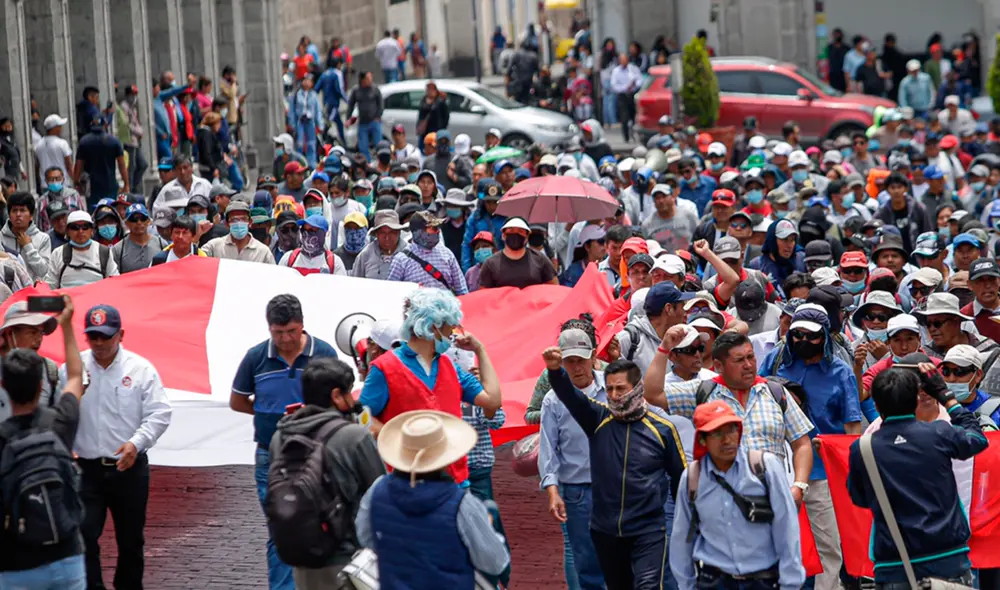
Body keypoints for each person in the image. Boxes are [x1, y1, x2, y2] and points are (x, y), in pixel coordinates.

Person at [543, 345, 687, 590]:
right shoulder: (597, 419)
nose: (614, 394)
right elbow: (569, 395)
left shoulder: (663, 429)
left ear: (637, 388)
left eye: (621, 388)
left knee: (648, 586)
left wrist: (683, 525)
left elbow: (680, 479)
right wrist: (555, 371)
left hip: (649, 530)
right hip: (606, 531)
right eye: (609, 389)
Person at [231, 294, 339, 590]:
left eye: (291, 332)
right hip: (271, 457)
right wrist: (266, 413)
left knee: (321, 523)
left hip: (317, 455)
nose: (285, 340)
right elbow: (238, 400)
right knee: (282, 527)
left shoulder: (324, 352)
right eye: (277, 333)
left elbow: (339, 400)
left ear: (302, 326)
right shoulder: (256, 357)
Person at [848, 364, 987, 586]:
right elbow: (978, 440)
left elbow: (860, 498)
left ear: (875, 405)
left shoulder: (863, 448)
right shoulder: (940, 433)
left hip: (894, 563)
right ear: (915, 401)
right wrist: (947, 397)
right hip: (948, 556)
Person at [645, 329, 814, 505]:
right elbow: (653, 395)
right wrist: (664, 348)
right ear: (718, 366)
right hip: (721, 507)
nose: (748, 365)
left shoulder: (775, 392)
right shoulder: (702, 391)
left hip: (774, 502)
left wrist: (799, 486)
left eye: (751, 357)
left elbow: (801, 443)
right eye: (739, 360)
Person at [73, 304, 172, 590]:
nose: (100, 344)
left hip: (128, 469)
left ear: (121, 335)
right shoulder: (74, 368)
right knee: (84, 536)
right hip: (86, 470)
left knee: (130, 540)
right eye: (94, 337)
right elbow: (60, 410)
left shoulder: (140, 370)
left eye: (106, 337)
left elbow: (160, 413)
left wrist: (136, 443)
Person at [355, 409, 510, 588]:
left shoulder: (377, 489)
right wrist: (487, 528)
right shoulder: (461, 504)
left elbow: (365, 536)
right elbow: (495, 561)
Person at [269, 357, 385, 590]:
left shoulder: (280, 436)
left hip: (301, 557)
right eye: (349, 393)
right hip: (347, 561)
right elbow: (380, 494)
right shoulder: (353, 436)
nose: (353, 399)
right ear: (335, 396)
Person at [670, 400, 805, 590]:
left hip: (763, 581)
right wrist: (686, 585)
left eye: (732, 430)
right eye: (717, 434)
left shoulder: (764, 468)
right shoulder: (693, 477)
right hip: (713, 581)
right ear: (702, 439)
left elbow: (787, 528)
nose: (727, 440)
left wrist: (790, 584)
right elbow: (681, 537)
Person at [0, 295, 86, 589]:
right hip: (64, 555)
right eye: (30, 330)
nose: (37, 338)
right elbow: (76, 376)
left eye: (41, 331)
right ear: (8, 334)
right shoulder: (59, 423)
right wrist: (68, 326)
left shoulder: (49, 370)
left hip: (14, 563)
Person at [538, 326, 608, 590]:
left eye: (582, 359)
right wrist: (552, 491)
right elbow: (549, 448)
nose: (577, 367)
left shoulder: (612, 387)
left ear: (593, 356)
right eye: (570, 362)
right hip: (578, 490)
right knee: (586, 561)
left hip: (614, 486)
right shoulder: (553, 400)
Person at [478, 217, 558, 289]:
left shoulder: (540, 259)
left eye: (520, 231)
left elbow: (554, 288)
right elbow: (483, 295)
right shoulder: (490, 264)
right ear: (503, 235)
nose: (515, 234)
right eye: (511, 230)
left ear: (526, 237)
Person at [45, 210, 119, 288]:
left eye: (85, 227)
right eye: (75, 227)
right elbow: (50, 286)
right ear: (68, 231)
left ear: (92, 230)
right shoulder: (57, 253)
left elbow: (115, 283)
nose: (80, 231)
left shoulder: (104, 252)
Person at [73, 117, 129, 202]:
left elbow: (79, 164)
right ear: (105, 125)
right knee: (111, 209)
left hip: (92, 186)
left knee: (94, 211)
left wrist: (76, 182)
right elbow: (121, 164)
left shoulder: (84, 142)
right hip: (110, 184)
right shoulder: (114, 141)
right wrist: (126, 183)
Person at [2, 191, 53, 282]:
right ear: (9, 215)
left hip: (33, 291)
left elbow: (43, 271)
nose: (18, 215)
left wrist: (28, 247)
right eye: (14, 210)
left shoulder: (43, 239)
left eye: (22, 210)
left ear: (31, 215)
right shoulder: (1, 237)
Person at [203, 201, 275, 264]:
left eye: (243, 219)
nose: (239, 223)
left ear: (250, 222)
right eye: (234, 219)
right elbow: (195, 260)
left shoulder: (263, 252)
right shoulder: (214, 246)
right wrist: (196, 237)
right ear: (227, 224)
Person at [278, 215, 346, 274]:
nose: (307, 234)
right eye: (304, 229)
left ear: (324, 234)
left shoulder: (334, 262)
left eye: (312, 230)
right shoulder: (289, 258)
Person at [111, 204, 169, 273]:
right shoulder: (118, 250)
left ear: (148, 221)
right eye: (134, 219)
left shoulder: (161, 244)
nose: (139, 222)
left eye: (143, 218)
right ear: (126, 223)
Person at [352, 210, 406, 280]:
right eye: (382, 233)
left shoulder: (409, 254)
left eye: (392, 232)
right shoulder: (365, 255)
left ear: (399, 232)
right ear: (376, 234)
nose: (387, 237)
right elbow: (356, 283)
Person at [346, 72, 384, 161]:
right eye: (368, 78)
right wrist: (348, 119)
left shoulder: (375, 89)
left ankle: (381, 161)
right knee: (363, 146)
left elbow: (381, 103)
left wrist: (378, 116)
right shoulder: (356, 91)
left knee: (378, 144)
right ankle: (367, 162)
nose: (370, 80)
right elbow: (351, 105)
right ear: (362, 80)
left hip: (374, 121)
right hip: (363, 122)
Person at [959, 258, 1000, 342]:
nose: (987, 285)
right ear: (969, 285)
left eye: (991, 279)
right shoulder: (964, 317)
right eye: (980, 280)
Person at [36, 166, 86, 232]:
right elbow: (39, 225)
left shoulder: (73, 195)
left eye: (57, 179)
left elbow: (82, 216)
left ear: (63, 179)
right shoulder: (42, 201)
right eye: (51, 179)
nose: (54, 182)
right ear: (46, 181)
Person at [288, 75, 323, 167]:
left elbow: (317, 110)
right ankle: (299, 163)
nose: (307, 83)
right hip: (300, 121)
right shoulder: (296, 95)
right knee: (299, 143)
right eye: (305, 80)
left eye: (309, 81)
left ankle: (312, 164)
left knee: (311, 144)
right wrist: (292, 124)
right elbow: (291, 111)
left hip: (310, 121)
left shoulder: (314, 95)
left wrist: (320, 124)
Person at [33, 114, 74, 185]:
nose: (61, 128)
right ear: (54, 128)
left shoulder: (38, 144)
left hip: (45, 184)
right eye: (59, 126)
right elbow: (69, 165)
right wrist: (75, 180)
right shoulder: (62, 143)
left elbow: (37, 166)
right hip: (62, 184)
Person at [195, 111, 225, 180]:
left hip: (209, 167)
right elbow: (207, 153)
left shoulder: (206, 133)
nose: (220, 126)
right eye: (218, 123)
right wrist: (214, 168)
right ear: (213, 123)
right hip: (209, 169)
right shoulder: (206, 134)